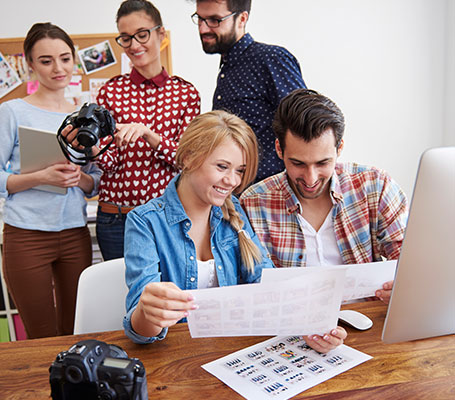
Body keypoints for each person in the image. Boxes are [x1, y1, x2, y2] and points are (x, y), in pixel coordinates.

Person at [123, 110, 347, 352]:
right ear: (187, 158)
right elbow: (141, 333)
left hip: (228, 352)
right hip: (174, 357)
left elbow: (265, 282)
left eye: (240, 170)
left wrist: (310, 324)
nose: (232, 181)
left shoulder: (235, 212)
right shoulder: (144, 222)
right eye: (222, 167)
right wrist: (149, 312)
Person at [0, 23, 102, 338]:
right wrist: (39, 177)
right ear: (30, 64)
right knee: (42, 336)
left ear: (74, 60)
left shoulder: (83, 115)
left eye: (64, 58)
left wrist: (80, 179)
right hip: (27, 237)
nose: (58, 68)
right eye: (46, 61)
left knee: (78, 331)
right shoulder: (13, 111)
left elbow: (95, 183)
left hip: (75, 234)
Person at [240, 89, 409, 304]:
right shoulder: (253, 203)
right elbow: (249, 287)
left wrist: (402, 286)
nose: (310, 179)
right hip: (293, 327)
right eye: (298, 163)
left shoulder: (374, 186)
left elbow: (408, 263)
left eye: (323, 163)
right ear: (279, 150)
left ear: (340, 148)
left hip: (366, 322)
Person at [95, 0, 201, 260]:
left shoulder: (186, 94)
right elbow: (107, 163)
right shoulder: (110, 92)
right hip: (116, 219)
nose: (134, 45)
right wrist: (90, 146)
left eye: (142, 34)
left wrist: (148, 134)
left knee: (171, 295)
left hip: (166, 217)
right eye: (126, 38)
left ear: (160, 34)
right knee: (122, 299)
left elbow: (187, 160)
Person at [192, 0, 306, 182]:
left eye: (215, 20)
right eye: (200, 19)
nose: (204, 29)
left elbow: (304, 126)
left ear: (242, 19)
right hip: (236, 194)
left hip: (271, 197)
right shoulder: (227, 69)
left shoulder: (271, 59)